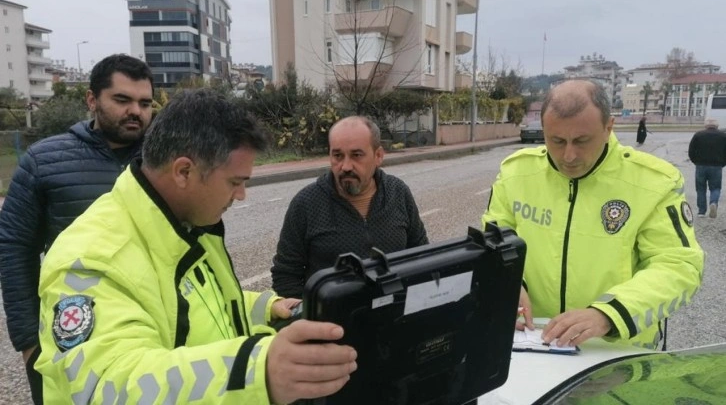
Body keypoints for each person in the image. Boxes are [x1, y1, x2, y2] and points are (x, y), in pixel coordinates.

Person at [35, 88, 357, 403]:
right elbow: (110, 386)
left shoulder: (187, 224)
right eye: (235, 182)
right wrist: (256, 371)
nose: (242, 195)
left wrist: (265, 309)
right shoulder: (89, 257)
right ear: (184, 171)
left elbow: (196, 304)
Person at [482, 80, 704, 350]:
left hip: (615, 350)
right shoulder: (516, 173)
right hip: (533, 342)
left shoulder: (654, 182)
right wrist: (509, 283)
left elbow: (679, 266)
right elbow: (496, 241)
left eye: (581, 141)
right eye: (557, 140)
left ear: (608, 127)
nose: (569, 155)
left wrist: (608, 314)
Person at [0, 53, 154, 404]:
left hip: (152, 327)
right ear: (91, 100)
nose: (136, 111)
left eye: (144, 103)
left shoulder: (166, 160)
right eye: (122, 100)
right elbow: (14, 249)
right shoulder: (44, 161)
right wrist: (28, 342)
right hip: (73, 335)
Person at [271, 116, 429, 298]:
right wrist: (309, 317)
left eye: (356, 155)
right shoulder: (306, 203)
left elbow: (421, 254)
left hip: (393, 314)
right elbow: (286, 274)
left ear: (378, 156)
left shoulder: (398, 193)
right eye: (337, 156)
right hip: (332, 322)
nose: (345, 166)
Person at [688, 118, 726, 218]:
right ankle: (713, 202)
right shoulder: (723, 136)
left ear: (706, 126)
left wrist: (695, 161)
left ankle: (701, 211)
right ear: (717, 126)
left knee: (700, 188)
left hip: (701, 165)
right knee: (716, 188)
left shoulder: (698, 135)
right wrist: (723, 163)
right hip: (717, 166)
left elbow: (691, 151)